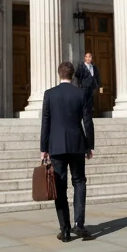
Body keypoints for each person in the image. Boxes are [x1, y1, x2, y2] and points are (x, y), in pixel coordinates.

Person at [41, 61, 94, 242]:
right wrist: (89, 145)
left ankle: (64, 230)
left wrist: (43, 148)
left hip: (56, 146)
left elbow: (45, 123)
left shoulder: (49, 94)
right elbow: (87, 121)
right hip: (77, 144)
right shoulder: (81, 93)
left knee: (60, 186)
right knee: (79, 182)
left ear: (59, 74)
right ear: (72, 76)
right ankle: (79, 225)